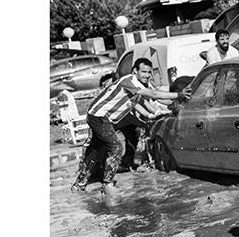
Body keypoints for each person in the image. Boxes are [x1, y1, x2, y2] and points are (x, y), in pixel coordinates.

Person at [71, 58, 191, 194]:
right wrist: (179, 94)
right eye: (144, 72)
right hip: (98, 116)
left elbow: (157, 97)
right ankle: (107, 184)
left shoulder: (143, 83)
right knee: (115, 147)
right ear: (135, 71)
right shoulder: (129, 81)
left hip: (108, 119)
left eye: (149, 72)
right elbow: (153, 94)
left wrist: (177, 101)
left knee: (96, 150)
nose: (147, 75)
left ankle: (79, 185)